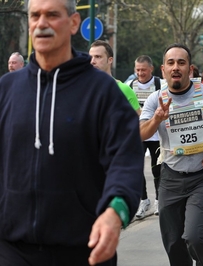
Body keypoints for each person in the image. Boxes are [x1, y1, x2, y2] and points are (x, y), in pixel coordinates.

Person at [0, 0, 144, 266]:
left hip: (85, 249)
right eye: (35, 15)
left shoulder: (103, 92)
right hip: (12, 250)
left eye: (52, 15)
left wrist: (115, 212)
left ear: (74, 23)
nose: (42, 23)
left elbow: (126, 162)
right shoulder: (7, 89)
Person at [140, 43, 203, 266]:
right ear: (163, 69)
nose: (175, 67)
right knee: (174, 244)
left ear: (190, 68)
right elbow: (140, 133)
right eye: (171, 63)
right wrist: (157, 118)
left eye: (181, 62)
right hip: (170, 178)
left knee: (196, 237)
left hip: (202, 176)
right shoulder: (155, 99)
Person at [131, 55, 162, 218]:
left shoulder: (159, 84)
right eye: (137, 70)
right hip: (138, 134)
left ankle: (158, 199)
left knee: (157, 170)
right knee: (136, 168)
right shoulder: (131, 85)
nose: (140, 73)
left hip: (156, 135)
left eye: (143, 70)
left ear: (151, 69)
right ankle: (143, 200)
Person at [89, 40, 140, 114]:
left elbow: (138, 124)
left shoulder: (124, 90)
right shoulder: (83, 89)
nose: (92, 61)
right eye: (90, 57)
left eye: (98, 57)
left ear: (110, 60)